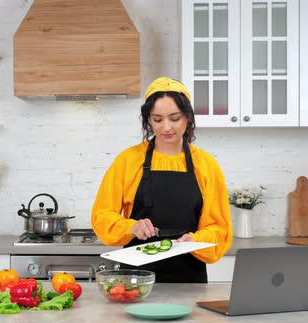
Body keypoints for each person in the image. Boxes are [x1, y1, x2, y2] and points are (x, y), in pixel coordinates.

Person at [91, 77, 233, 283]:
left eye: (174, 118)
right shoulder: (128, 161)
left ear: (188, 117)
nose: (166, 127)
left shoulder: (206, 165)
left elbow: (220, 228)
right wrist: (131, 227)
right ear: (148, 119)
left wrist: (196, 239)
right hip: (135, 280)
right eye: (157, 119)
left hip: (189, 278)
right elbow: (102, 216)